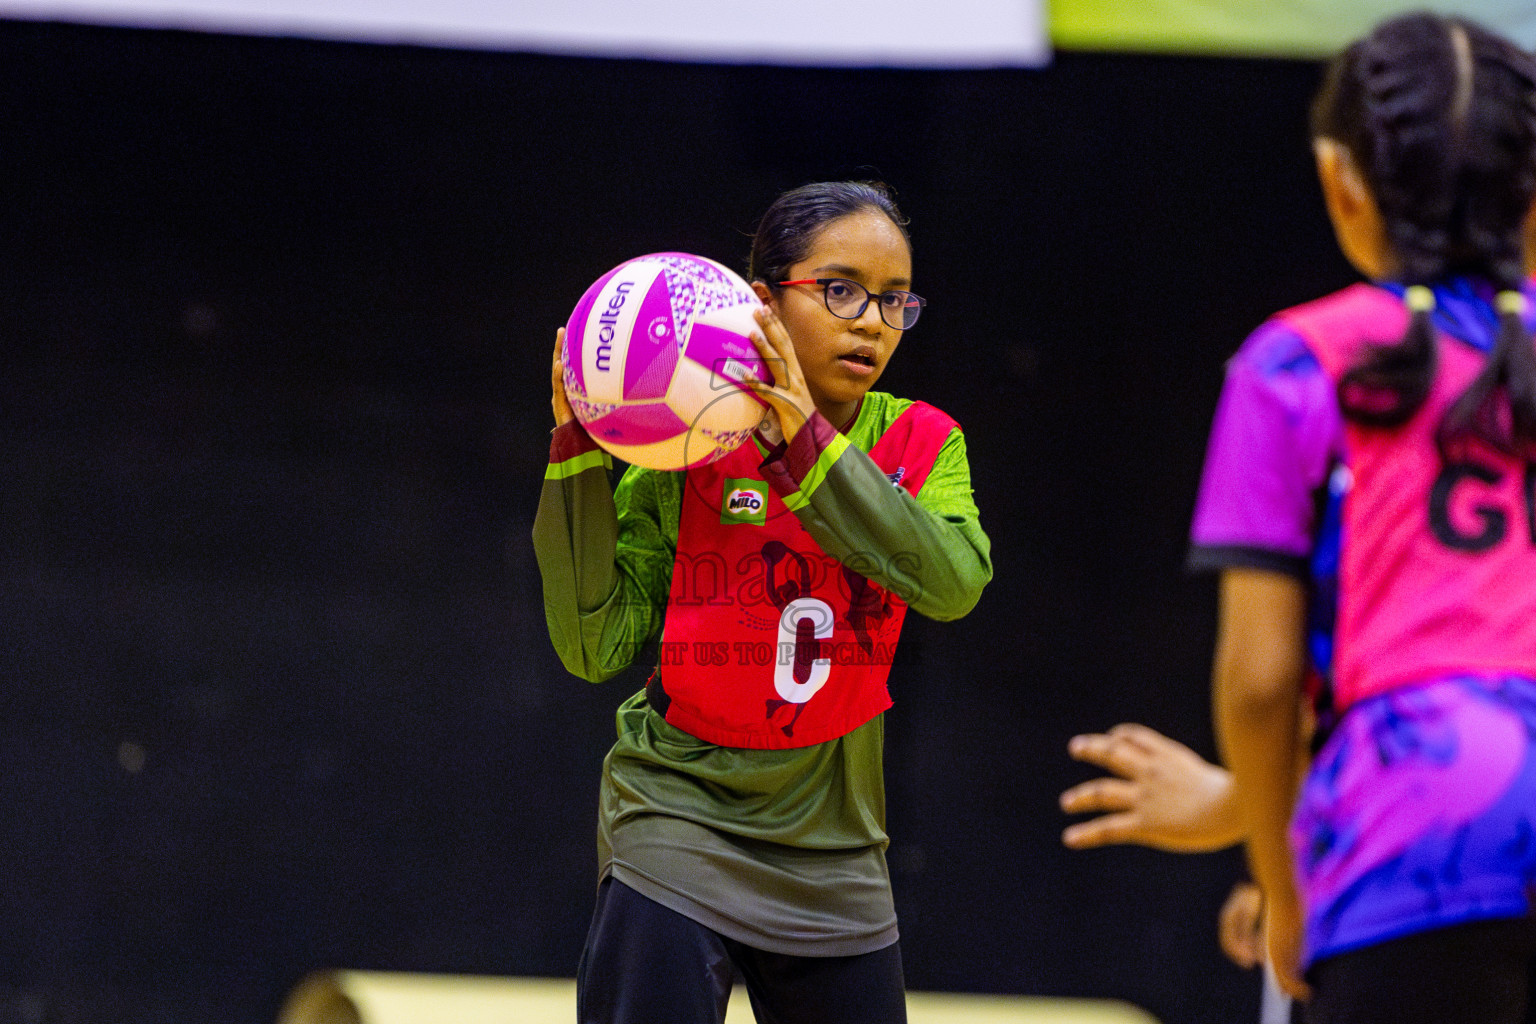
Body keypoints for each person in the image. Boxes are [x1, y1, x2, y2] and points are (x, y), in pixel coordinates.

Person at [533, 180, 992, 1024]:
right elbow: (592, 644)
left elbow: (956, 582)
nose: (870, 321)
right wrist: (576, 459)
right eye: (841, 289)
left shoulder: (924, 439)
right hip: (680, 814)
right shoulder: (693, 443)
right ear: (761, 302)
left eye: (894, 302)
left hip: (838, 845)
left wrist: (808, 448)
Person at [1188, 13, 1536, 1023]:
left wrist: (1281, 882)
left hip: (1416, 825)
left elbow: (1259, 682)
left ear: (1342, 183)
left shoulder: (1297, 361)